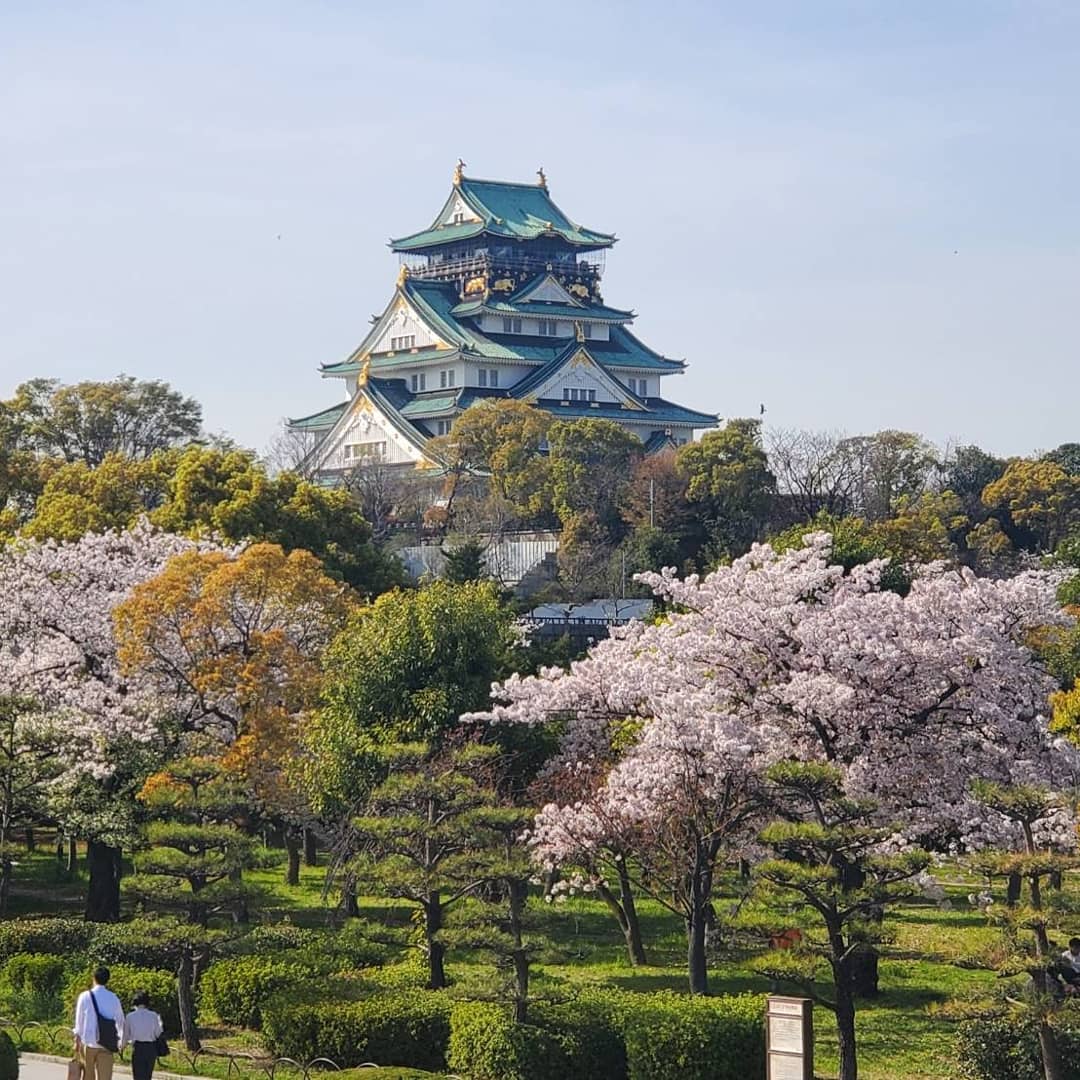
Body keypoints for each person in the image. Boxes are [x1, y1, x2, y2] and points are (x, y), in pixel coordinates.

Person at [73, 966, 125, 1080]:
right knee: (105, 1077)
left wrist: (77, 1039)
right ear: (108, 980)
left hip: (89, 1043)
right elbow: (120, 1020)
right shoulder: (113, 997)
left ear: (94, 978)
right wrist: (121, 1041)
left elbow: (79, 1020)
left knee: (88, 1076)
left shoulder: (85, 996)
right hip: (107, 1044)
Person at [124, 990, 165, 1080]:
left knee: (138, 1076)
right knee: (147, 1076)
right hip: (151, 1048)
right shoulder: (153, 1015)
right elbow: (157, 1033)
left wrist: (122, 1046)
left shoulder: (130, 1016)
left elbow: (126, 1035)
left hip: (138, 1047)